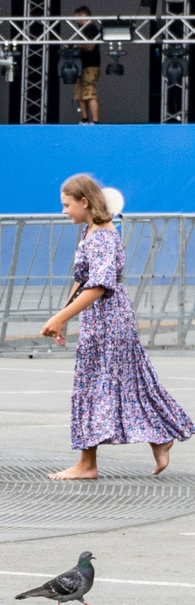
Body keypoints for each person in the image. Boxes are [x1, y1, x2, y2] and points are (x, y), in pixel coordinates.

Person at [43, 173, 190, 479]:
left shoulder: (101, 238)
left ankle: (87, 464)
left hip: (109, 321)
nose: (64, 211)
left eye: (67, 205)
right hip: (102, 319)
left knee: (92, 384)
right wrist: (64, 315)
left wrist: (61, 318)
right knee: (130, 380)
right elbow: (83, 280)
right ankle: (160, 437)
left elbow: (98, 286)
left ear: (85, 202)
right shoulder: (91, 233)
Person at [72, 7, 101, 125]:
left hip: (91, 66)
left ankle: (95, 121)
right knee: (79, 94)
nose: (75, 21)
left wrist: (77, 45)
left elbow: (90, 46)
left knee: (89, 93)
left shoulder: (91, 28)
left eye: (76, 18)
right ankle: (84, 119)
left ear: (82, 16)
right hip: (82, 66)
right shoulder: (84, 30)